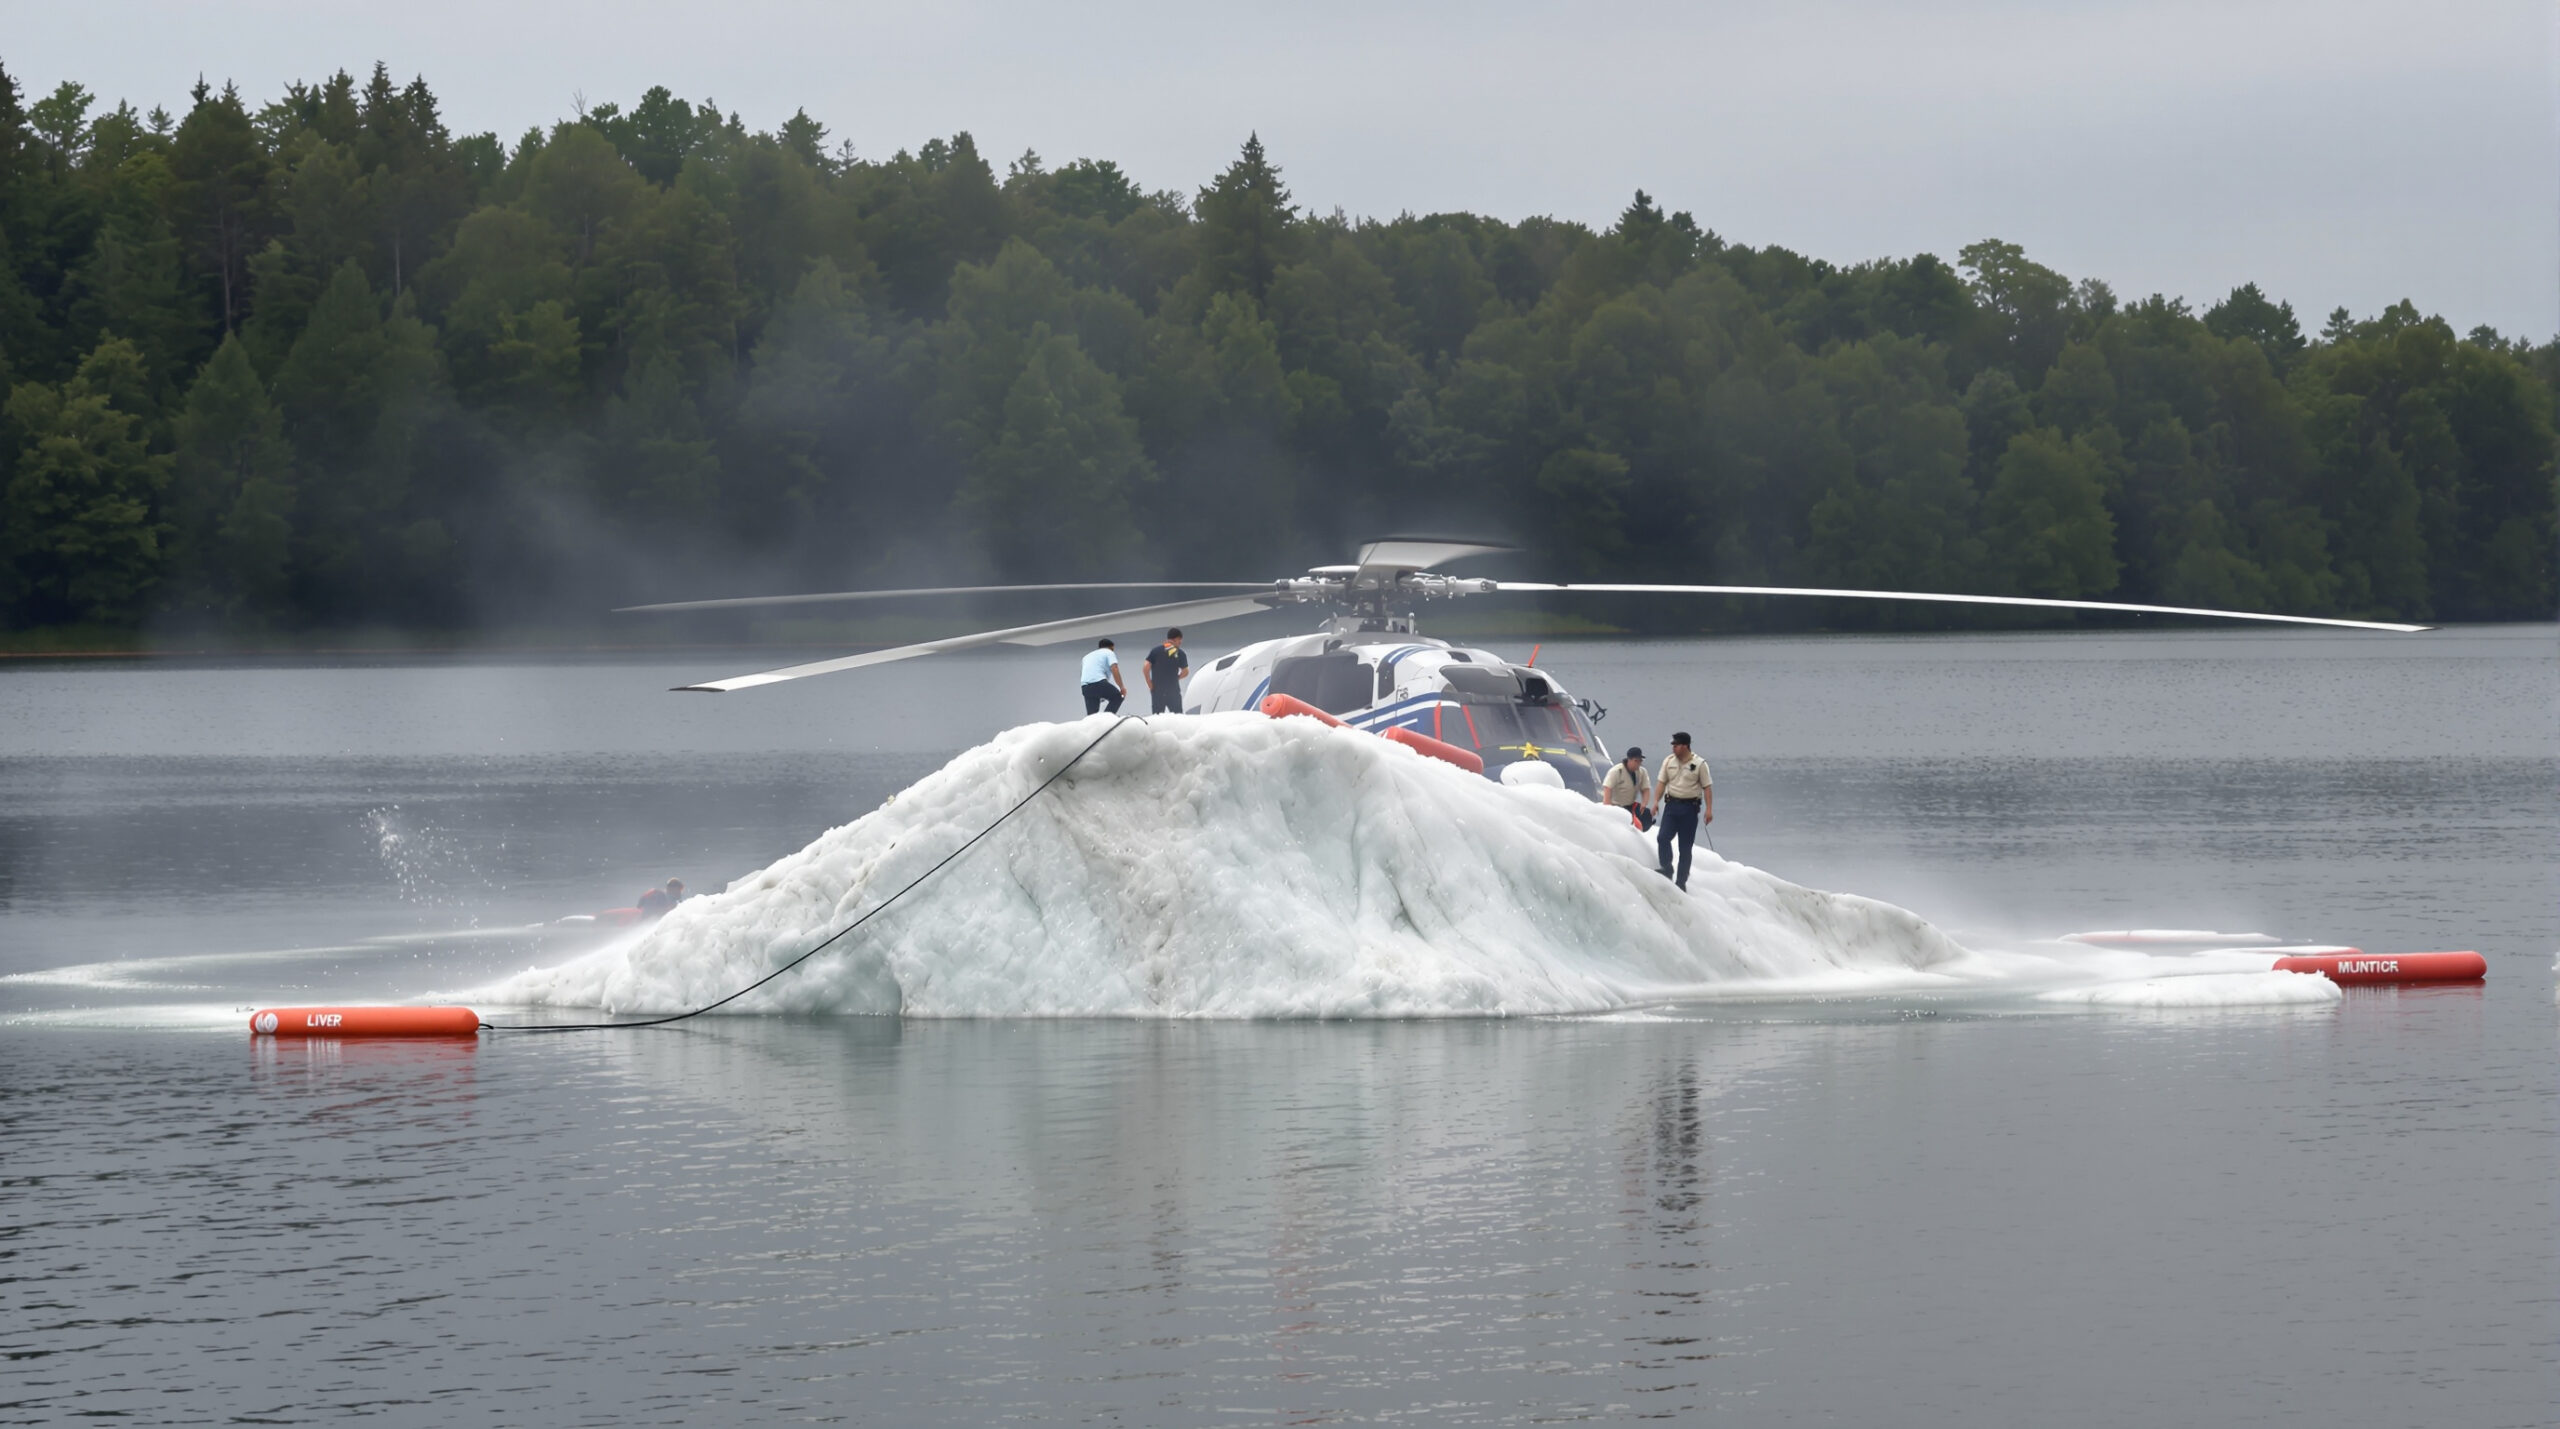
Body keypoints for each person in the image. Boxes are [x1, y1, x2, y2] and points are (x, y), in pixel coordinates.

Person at [1653, 732, 1712, 890]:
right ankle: (1667, 868)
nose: (1674, 748)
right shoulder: (1668, 761)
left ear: (1685, 746)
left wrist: (1709, 810)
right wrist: (1655, 802)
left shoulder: (1699, 764)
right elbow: (1661, 783)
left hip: (1689, 808)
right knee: (1663, 838)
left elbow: (1707, 788)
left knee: (1685, 848)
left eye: (1676, 745)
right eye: (1673, 745)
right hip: (1671, 806)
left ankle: (1681, 881)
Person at [1600, 746, 1652, 828]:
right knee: (1628, 824)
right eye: (1636, 761)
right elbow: (1607, 788)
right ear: (1629, 760)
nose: (1638, 763)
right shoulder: (1617, 771)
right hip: (1616, 806)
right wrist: (1608, 808)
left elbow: (1645, 788)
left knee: (1646, 816)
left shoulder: (1642, 772)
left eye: (1640, 761)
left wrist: (1644, 803)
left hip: (1631, 805)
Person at [1143, 628, 1191, 714]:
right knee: (1178, 717)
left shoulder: (1155, 651)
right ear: (1176, 639)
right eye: (1180, 641)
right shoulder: (1180, 653)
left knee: (1156, 717)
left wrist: (1149, 683)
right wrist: (1177, 678)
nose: (1180, 643)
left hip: (1157, 690)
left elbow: (1146, 667)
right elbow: (1186, 672)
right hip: (1173, 690)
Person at [1080, 638, 1126, 714]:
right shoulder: (1109, 652)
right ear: (1111, 647)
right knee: (1118, 697)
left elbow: (1089, 672)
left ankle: (1096, 724)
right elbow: (1114, 668)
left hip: (1085, 687)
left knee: (1092, 716)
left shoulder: (1086, 657)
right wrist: (1121, 687)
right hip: (1098, 682)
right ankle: (1106, 720)